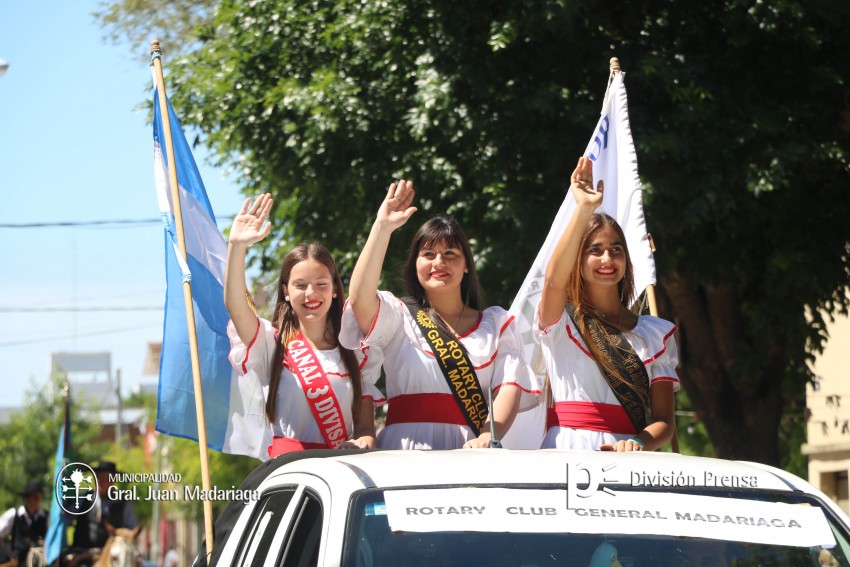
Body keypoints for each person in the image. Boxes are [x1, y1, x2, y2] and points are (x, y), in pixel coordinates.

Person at [341, 179, 540, 449]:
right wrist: (382, 228)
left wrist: (486, 437)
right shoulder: (399, 317)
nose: (439, 262)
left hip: (469, 454)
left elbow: (508, 388)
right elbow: (360, 298)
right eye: (429, 254)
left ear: (467, 264)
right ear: (415, 265)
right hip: (403, 453)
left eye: (450, 253)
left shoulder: (496, 325)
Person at [224, 194, 384, 457]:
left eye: (321, 284)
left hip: (337, 472)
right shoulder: (271, 345)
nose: (311, 293)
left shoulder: (356, 352)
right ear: (286, 291)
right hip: (289, 472)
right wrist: (236, 245)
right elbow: (235, 304)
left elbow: (366, 430)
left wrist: (362, 442)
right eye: (300, 285)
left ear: (334, 289)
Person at [536, 157, 678, 451]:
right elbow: (552, 282)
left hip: (628, 457)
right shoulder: (560, 321)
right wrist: (584, 209)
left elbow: (665, 422)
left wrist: (638, 442)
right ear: (579, 260)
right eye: (595, 250)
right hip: (566, 450)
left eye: (616, 250)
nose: (607, 259)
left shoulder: (655, 335)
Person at [67, 461, 139, 567]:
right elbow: (64, 520)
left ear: (113, 481)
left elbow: (132, 530)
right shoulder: (83, 499)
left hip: (113, 553)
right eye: (98, 477)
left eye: (105, 478)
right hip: (81, 552)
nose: (100, 481)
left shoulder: (123, 503)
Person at [0, 481, 48, 566]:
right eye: (34, 497)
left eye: (38, 497)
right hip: (17, 561)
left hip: (40, 560)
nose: (36, 500)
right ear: (27, 499)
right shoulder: (14, 514)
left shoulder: (46, 517)